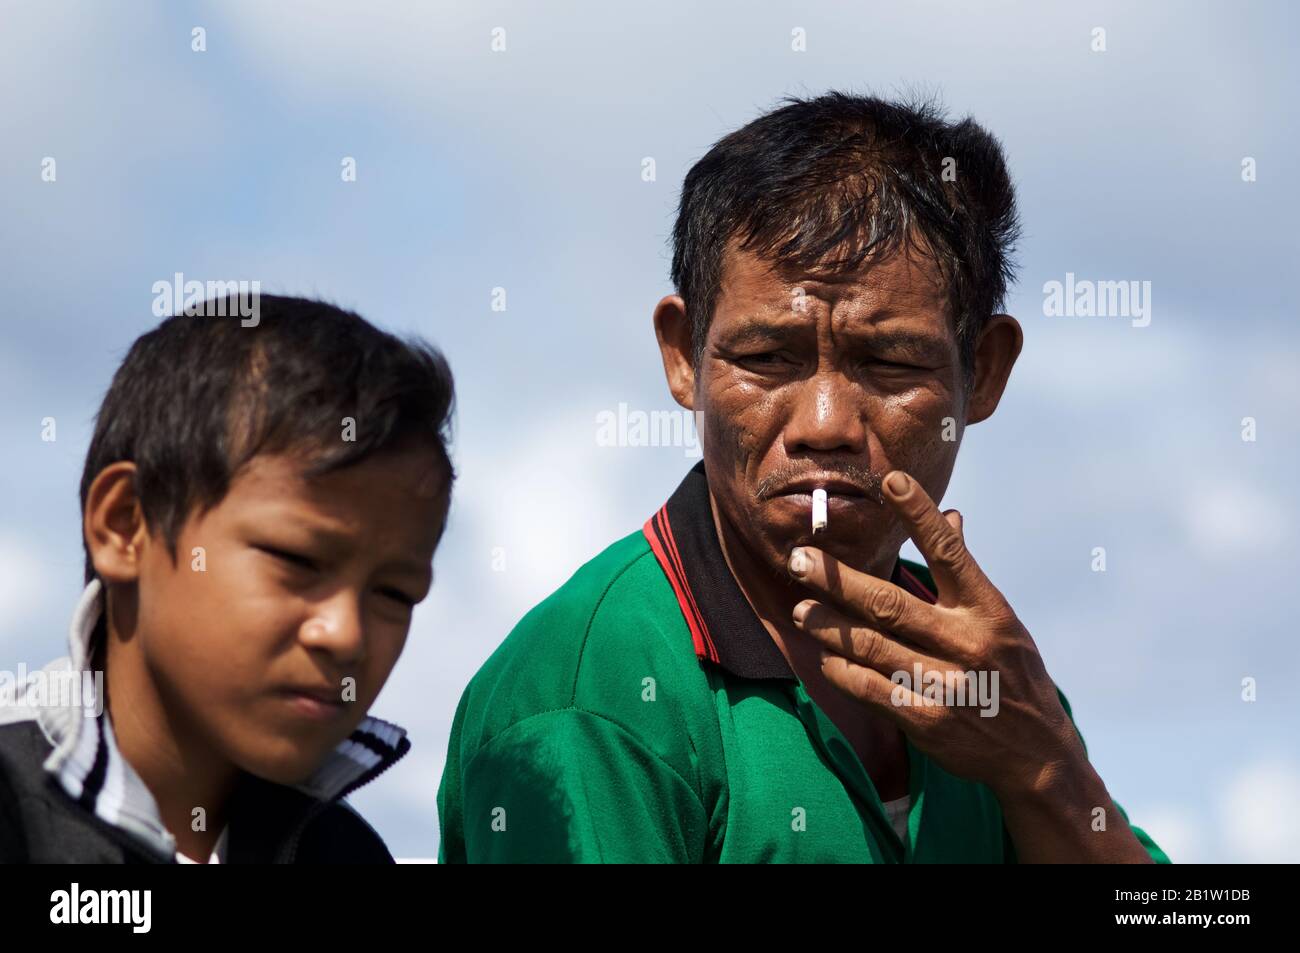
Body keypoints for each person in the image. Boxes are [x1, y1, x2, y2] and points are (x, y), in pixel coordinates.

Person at [437, 91, 1168, 863]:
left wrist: (1044, 767)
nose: (825, 422)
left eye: (888, 363)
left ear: (982, 373)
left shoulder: (986, 677)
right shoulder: (596, 696)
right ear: (684, 355)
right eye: (765, 358)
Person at [0, 295, 455, 863]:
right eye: (297, 560)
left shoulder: (347, 855)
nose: (345, 635)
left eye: (394, 592)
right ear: (125, 526)